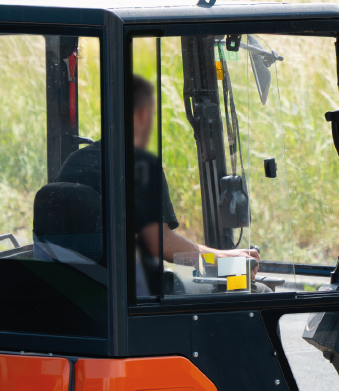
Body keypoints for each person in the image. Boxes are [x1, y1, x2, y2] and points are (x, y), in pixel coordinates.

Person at [55, 75, 257, 295]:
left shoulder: (73, 162)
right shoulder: (140, 166)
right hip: (132, 295)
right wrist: (227, 261)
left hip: (82, 291)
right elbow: (163, 245)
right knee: (250, 289)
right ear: (142, 115)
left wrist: (226, 256)